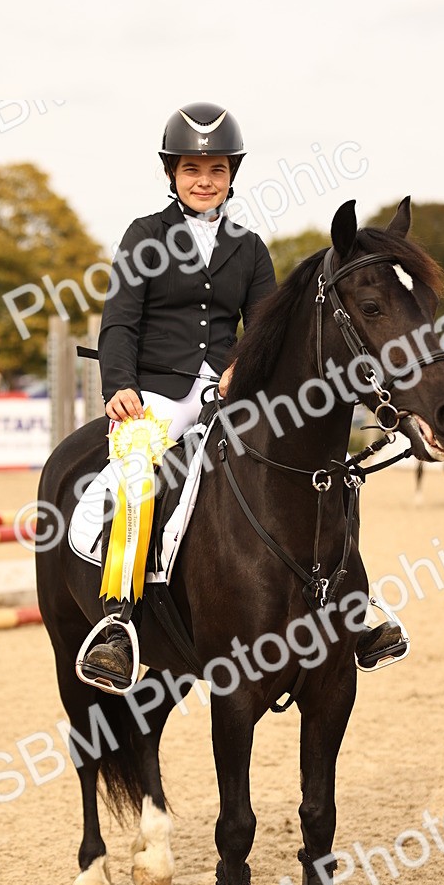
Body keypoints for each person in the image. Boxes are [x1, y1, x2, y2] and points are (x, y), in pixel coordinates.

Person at [79, 101, 276, 690]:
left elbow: (262, 326)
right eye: (192, 169)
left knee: (297, 454)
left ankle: (341, 598)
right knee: (138, 470)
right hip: (156, 395)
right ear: (172, 173)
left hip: (223, 390)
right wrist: (119, 388)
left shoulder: (250, 247)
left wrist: (240, 367)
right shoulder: (144, 235)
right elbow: (119, 321)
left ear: (232, 176)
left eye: (216, 170)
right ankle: (118, 624)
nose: (204, 181)